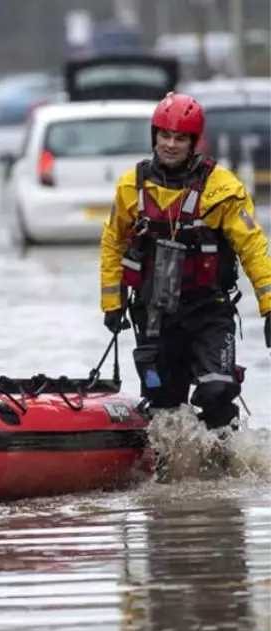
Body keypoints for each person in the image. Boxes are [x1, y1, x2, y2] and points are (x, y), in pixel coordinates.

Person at [100, 92, 271, 471]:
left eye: (180, 138)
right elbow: (112, 242)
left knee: (215, 391)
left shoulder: (222, 189)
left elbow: (254, 248)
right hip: (155, 314)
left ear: (195, 143)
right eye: (164, 135)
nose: (170, 144)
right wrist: (111, 304)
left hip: (209, 312)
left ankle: (226, 472)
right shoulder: (133, 186)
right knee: (164, 405)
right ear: (154, 136)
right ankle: (171, 481)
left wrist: (269, 307)